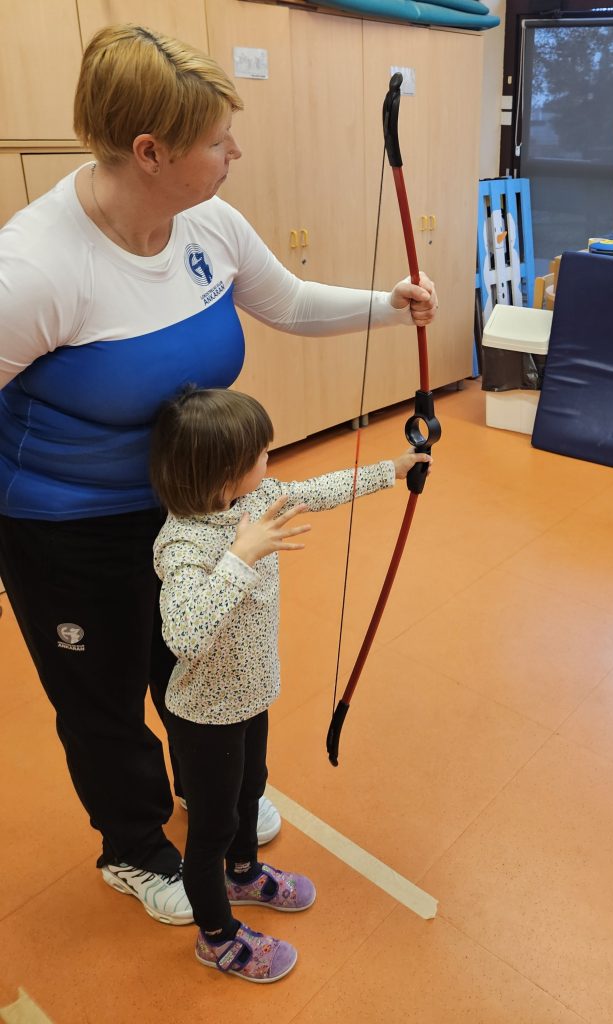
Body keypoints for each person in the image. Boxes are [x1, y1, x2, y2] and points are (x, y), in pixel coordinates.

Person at [0, 23, 437, 926]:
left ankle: (213, 795)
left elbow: (289, 302)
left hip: (194, 509)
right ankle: (134, 846)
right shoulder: (34, 269)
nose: (234, 153)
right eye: (217, 141)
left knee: (195, 660)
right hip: (66, 526)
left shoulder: (208, 221)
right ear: (149, 151)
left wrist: (389, 308)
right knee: (103, 695)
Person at [148, 386, 430, 981]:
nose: (270, 458)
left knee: (251, 789)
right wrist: (241, 556)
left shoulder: (257, 497)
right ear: (224, 477)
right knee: (212, 829)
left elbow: (317, 490)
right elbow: (185, 635)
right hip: (206, 717)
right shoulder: (182, 543)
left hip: (252, 693)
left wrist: (393, 470)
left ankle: (244, 874)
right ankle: (216, 937)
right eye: (260, 453)